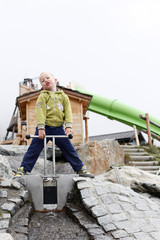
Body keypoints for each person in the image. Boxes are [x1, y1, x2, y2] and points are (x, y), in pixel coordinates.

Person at [14, 72, 94, 178]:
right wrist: (41, 128)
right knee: (34, 149)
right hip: (44, 128)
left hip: (59, 129)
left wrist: (68, 126)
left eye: (48, 78)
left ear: (55, 80)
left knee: (69, 149)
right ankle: (23, 169)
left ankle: (80, 168)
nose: (45, 80)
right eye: (42, 80)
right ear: (42, 86)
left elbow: (68, 112)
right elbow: (40, 112)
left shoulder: (63, 97)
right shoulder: (42, 97)